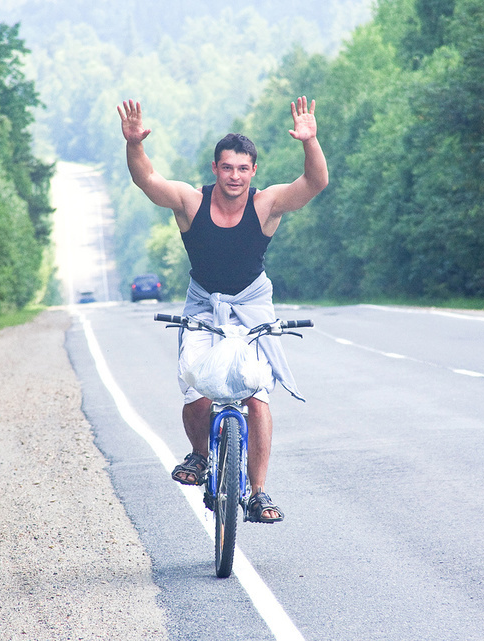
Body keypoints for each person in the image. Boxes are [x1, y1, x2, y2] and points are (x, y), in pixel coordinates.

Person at [117, 96, 328, 523]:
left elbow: (314, 183)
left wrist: (310, 142)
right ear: (215, 169)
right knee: (197, 392)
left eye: (243, 168)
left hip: (252, 302)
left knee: (256, 395)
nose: (235, 176)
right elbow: (149, 181)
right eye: (227, 167)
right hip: (203, 301)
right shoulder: (192, 203)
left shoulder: (266, 204)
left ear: (254, 172)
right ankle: (198, 456)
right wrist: (135, 145)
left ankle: (258, 492)